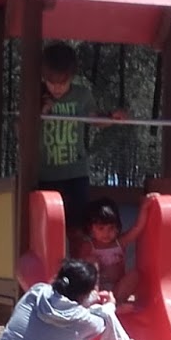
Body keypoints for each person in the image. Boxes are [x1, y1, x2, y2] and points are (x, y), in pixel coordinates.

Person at [38, 41, 125, 232]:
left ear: (72, 77)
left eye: (62, 83)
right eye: (51, 82)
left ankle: (78, 262)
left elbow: (94, 120)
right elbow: (21, 130)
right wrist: (42, 109)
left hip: (75, 174)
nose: (57, 88)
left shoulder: (81, 95)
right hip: (45, 175)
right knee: (50, 228)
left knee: (78, 227)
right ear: (43, 78)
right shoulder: (35, 93)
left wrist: (112, 118)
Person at [76, 197, 148, 302]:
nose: (106, 233)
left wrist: (144, 208)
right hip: (96, 287)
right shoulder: (88, 246)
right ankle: (93, 298)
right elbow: (80, 268)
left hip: (116, 289)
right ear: (91, 229)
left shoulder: (120, 242)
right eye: (101, 228)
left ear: (117, 227)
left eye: (111, 228)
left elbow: (137, 228)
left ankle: (114, 302)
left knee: (135, 275)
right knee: (90, 261)